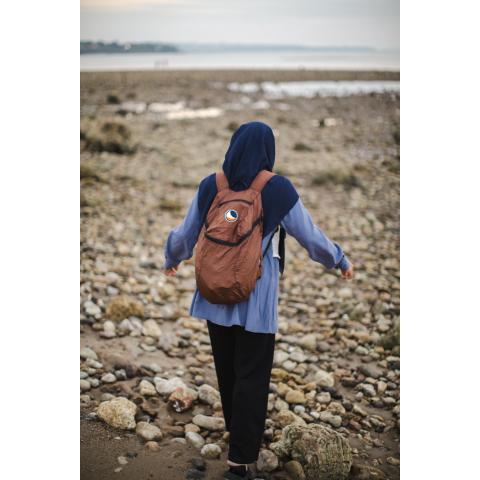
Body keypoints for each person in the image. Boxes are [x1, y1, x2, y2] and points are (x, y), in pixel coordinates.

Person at [164, 121, 353, 480]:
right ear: (268, 150)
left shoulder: (211, 185)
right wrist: (339, 259)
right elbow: (309, 236)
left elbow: (186, 232)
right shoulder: (276, 188)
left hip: (214, 291)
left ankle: (238, 431)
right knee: (252, 374)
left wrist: (172, 257)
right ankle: (240, 460)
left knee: (227, 369)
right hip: (256, 296)